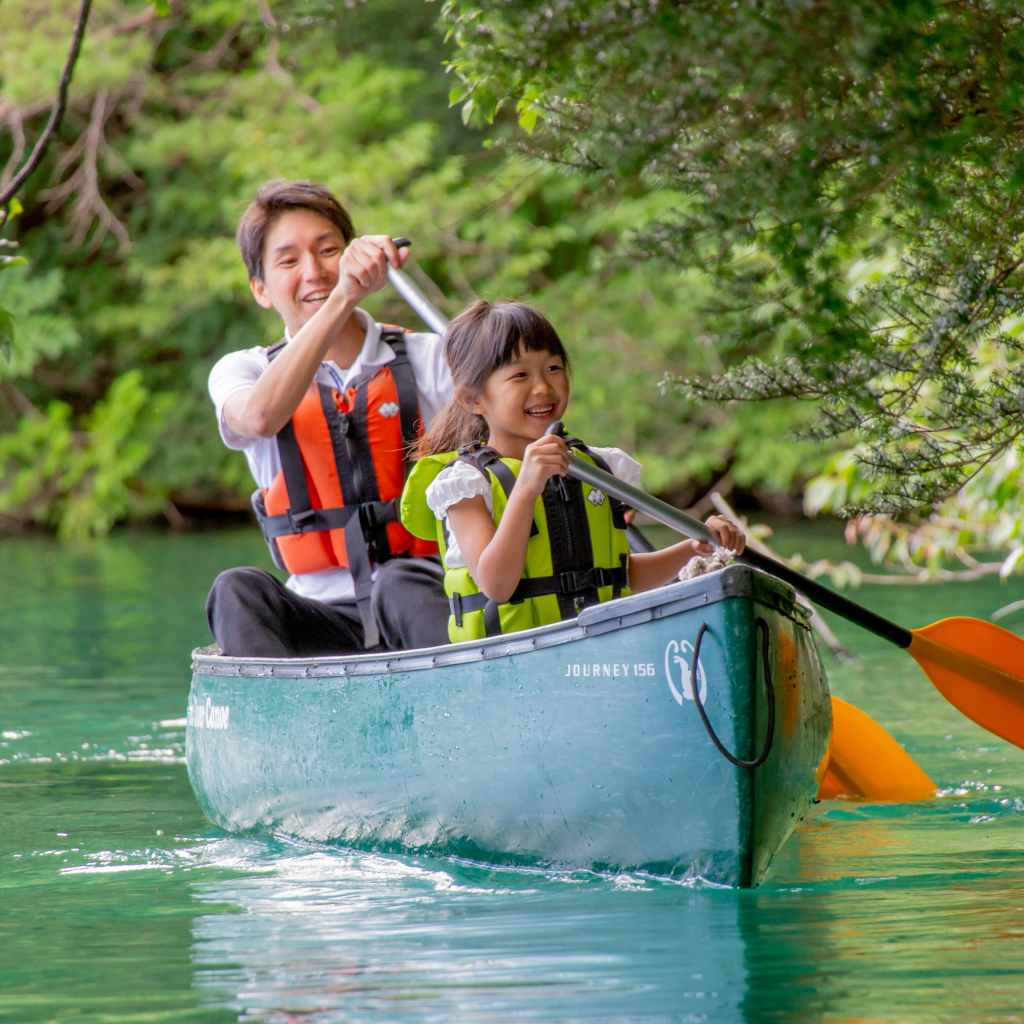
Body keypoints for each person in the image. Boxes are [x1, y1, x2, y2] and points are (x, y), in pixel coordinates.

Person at [400, 300, 745, 642]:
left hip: (597, 655)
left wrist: (691, 548)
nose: (543, 387)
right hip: (513, 666)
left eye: (553, 368)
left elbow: (622, 577)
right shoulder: (465, 486)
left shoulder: (598, 469)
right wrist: (526, 488)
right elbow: (497, 585)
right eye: (520, 375)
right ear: (474, 400)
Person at [206, 179, 452, 657]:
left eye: (329, 251)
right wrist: (343, 297)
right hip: (320, 616)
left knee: (400, 581)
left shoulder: (434, 357)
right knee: (236, 589)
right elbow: (257, 418)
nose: (315, 272)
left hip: (424, 599)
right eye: (289, 260)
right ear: (260, 288)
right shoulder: (245, 370)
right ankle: (274, 721)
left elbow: (506, 439)